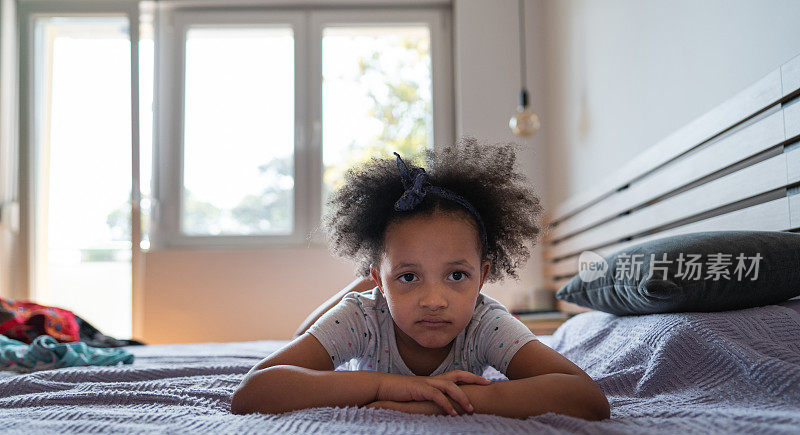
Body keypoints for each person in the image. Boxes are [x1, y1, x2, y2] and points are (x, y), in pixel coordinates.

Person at [231, 139, 610, 420]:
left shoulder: (483, 322)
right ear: (382, 281)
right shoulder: (362, 319)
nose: (434, 299)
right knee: (306, 334)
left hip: (383, 291)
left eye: (457, 275)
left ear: (483, 278)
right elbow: (253, 391)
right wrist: (384, 385)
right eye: (410, 276)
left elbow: (587, 398)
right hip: (369, 302)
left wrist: (443, 401)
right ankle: (363, 285)